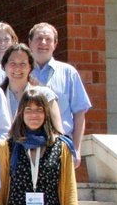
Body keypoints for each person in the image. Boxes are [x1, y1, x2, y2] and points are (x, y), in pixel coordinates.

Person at [29, 22, 92, 168]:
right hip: (27, 146)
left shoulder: (68, 73)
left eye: (48, 39)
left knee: (59, 191)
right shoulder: (21, 71)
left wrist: (76, 149)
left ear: (55, 44)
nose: (43, 43)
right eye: (38, 38)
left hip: (60, 145)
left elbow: (79, 114)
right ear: (30, 42)